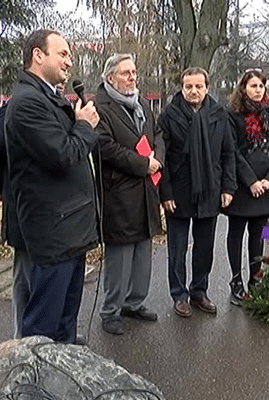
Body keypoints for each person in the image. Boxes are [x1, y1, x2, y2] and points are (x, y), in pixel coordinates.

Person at [4, 29, 100, 344]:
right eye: (63, 54)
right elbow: (63, 155)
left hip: (69, 229)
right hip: (54, 231)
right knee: (43, 331)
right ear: (38, 55)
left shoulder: (50, 96)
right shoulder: (28, 102)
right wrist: (84, 125)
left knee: (64, 325)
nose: (69, 62)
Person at [0, 77, 69, 339]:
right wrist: (9, 189)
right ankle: (23, 344)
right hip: (27, 216)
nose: (60, 86)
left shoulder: (59, 111)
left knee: (53, 287)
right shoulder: (15, 111)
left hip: (57, 219)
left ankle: (50, 338)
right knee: (27, 285)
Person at [158, 67, 236, 318]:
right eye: (188, 86)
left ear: (207, 88)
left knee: (204, 247)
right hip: (179, 191)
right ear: (181, 88)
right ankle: (179, 294)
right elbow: (164, 159)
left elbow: (228, 153)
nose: (193, 91)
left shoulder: (218, 114)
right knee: (177, 249)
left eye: (198, 86)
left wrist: (228, 187)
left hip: (209, 190)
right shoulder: (169, 115)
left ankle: (199, 291)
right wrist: (165, 193)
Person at [95, 54, 163, 335]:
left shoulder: (143, 104)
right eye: (125, 73)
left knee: (142, 253)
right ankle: (111, 310)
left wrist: (157, 155)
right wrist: (142, 164)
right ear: (110, 77)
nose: (132, 77)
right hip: (119, 192)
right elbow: (104, 146)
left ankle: (134, 302)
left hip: (146, 191)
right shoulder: (101, 107)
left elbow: (157, 134)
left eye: (134, 71)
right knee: (119, 256)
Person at [224, 70, 269, 304]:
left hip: (265, 187)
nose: (258, 90)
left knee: (258, 236)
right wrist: (251, 182)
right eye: (253, 86)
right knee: (236, 234)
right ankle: (236, 280)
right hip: (242, 186)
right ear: (243, 88)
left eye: (261, 86)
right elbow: (232, 151)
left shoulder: (268, 113)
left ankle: (255, 279)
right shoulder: (233, 115)